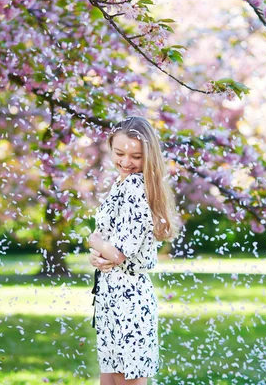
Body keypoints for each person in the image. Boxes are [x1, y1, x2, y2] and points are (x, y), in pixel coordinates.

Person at [87, 116, 180, 385]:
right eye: (119, 153)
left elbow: (117, 253)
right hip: (112, 295)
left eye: (136, 156)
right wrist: (98, 256)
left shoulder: (134, 187)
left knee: (126, 378)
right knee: (112, 375)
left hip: (128, 299)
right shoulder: (123, 184)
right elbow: (114, 243)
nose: (126, 162)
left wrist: (95, 243)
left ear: (149, 156)